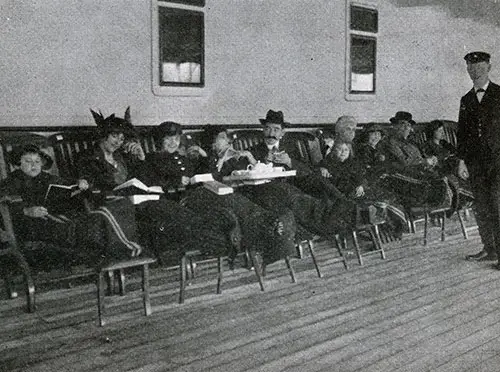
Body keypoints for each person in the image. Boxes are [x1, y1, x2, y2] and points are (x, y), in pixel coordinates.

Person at [77, 108, 238, 264]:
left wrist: (141, 159)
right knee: (164, 209)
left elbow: (143, 181)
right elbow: (86, 183)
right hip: (116, 204)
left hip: (138, 199)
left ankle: (212, 234)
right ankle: (213, 235)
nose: (118, 142)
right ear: (103, 135)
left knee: (168, 208)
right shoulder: (88, 157)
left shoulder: (123, 157)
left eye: (121, 138)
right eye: (114, 136)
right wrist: (84, 182)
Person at [146, 122, 296, 267]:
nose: (173, 142)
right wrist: (176, 181)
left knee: (233, 199)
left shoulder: (186, 158)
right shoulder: (151, 159)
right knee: (228, 202)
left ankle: (272, 222)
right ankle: (271, 226)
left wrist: (204, 156)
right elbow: (150, 182)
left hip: (206, 191)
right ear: (160, 140)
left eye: (176, 139)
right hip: (186, 198)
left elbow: (206, 173)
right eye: (168, 139)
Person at [0, 144, 141, 268]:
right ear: (17, 164)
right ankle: (126, 249)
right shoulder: (10, 183)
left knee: (115, 208)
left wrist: (81, 184)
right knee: (100, 219)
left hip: (60, 218)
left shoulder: (47, 178)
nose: (34, 165)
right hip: (38, 225)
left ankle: (121, 249)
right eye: (28, 161)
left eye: (37, 161)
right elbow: (3, 207)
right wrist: (25, 211)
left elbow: (68, 184)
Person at [456, 51, 500, 266]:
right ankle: (489, 250)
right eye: (471, 68)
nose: (475, 71)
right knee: (482, 207)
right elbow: (462, 134)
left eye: (480, 67)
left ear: (489, 68)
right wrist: (462, 160)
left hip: (498, 163)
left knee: (497, 206)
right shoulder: (466, 100)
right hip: (476, 163)